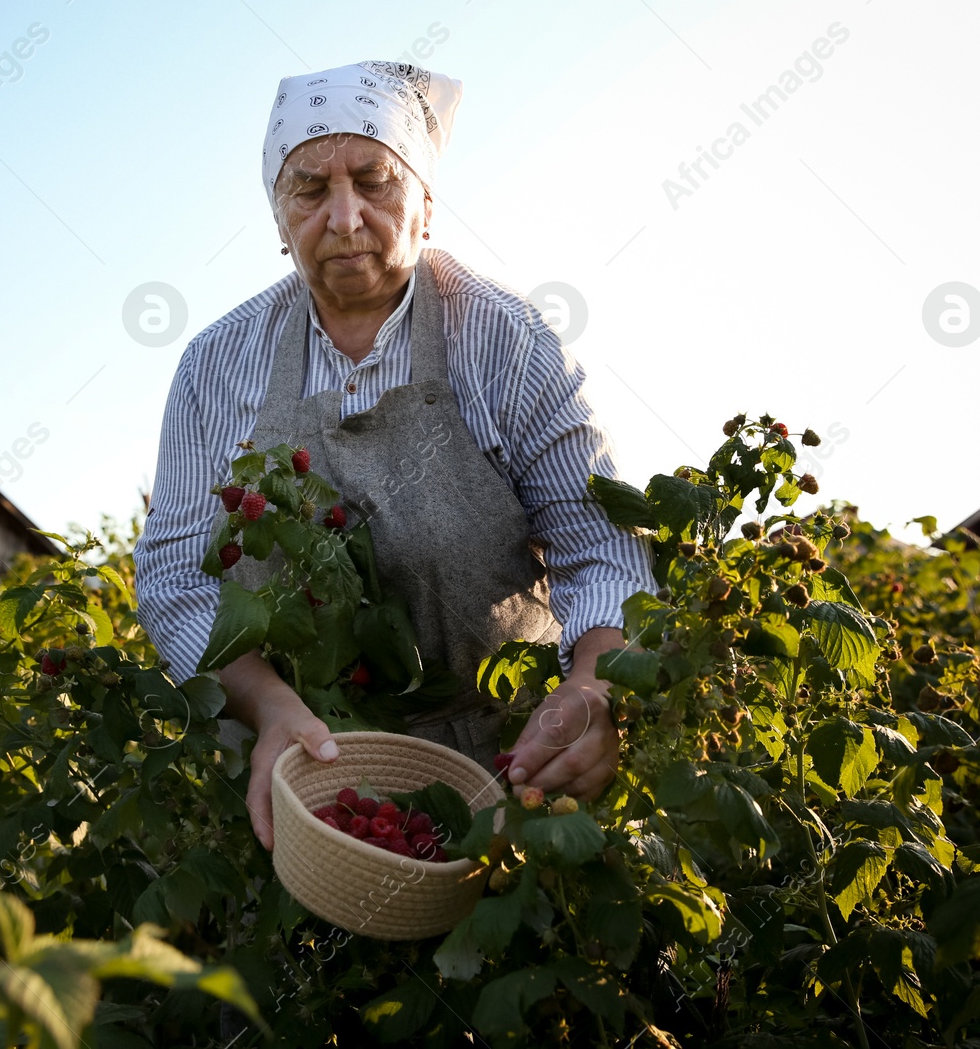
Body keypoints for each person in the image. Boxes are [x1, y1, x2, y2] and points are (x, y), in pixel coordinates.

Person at [134, 60, 656, 849]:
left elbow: (602, 549)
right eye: (309, 190)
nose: (343, 218)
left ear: (426, 203)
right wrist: (271, 707)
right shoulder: (217, 365)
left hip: (505, 769)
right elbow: (174, 572)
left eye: (374, 181)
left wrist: (591, 686)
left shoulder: (504, 344)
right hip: (299, 773)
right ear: (278, 220)